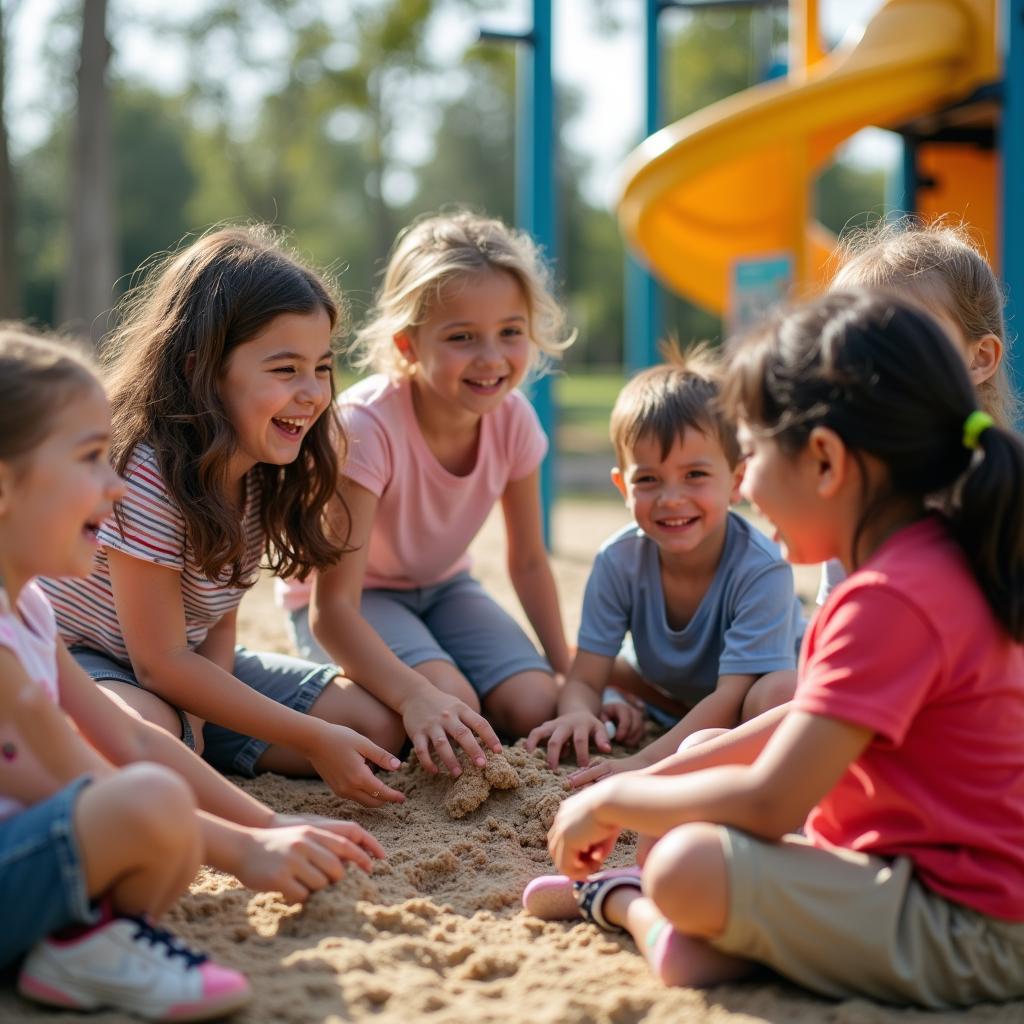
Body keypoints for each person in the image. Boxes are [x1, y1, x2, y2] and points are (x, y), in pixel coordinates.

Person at [524, 292, 1024, 1008]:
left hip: (967, 930)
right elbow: (800, 722)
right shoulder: (921, 564)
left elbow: (769, 800)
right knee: (685, 831)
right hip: (909, 876)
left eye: (750, 456)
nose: (746, 486)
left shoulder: (894, 598)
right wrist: (678, 770)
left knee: (687, 863)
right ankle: (655, 919)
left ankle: (626, 901)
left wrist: (615, 799)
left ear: (824, 460)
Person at [0, 328, 388, 1019]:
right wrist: (246, 852)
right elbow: (78, 772)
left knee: (163, 809)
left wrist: (267, 825)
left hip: (34, 852)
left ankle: (75, 949)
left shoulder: (25, 608)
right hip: (26, 852)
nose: (114, 485)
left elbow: (130, 745)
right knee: (154, 803)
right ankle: (83, 942)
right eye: (92, 459)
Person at [41, 227, 406, 806]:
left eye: (322, 367)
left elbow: (218, 623)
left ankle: (189, 749)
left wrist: (203, 722)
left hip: (183, 669)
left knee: (374, 728)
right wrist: (307, 736)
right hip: (86, 661)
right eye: (285, 370)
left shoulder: (264, 467)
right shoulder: (147, 473)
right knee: (150, 747)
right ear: (202, 370)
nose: (312, 393)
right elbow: (157, 662)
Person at [278, 211, 574, 776]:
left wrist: (573, 677)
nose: (491, 358)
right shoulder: (367, 428)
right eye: (462, 336)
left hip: (444, 587)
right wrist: (416, 695)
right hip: (358, 601)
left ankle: (452, 664)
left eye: (510, 332)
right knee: (453, 707)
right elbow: (331, 610)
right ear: (408, 343)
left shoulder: (514, 421)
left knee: (534, 703)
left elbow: (531, 562)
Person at [525, 344, 803, 771]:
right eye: (649, 480)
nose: (671, 499)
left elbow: (729, 698)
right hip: (669, 690)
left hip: (748, 700)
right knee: (569, 660)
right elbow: (585, 676)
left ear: (737, 480)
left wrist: (643, 765)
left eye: (695, 475)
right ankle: (632, 705)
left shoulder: (761, 567)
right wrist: (579, 710)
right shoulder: (618, 561)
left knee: (775, 693)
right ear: (623, 488)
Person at [817, 218, 1015, 603]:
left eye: (906, 336)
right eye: (855, 342)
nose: (876, 362)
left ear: (979, 359)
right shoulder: (851, 491)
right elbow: (831, 623)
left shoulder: (995, 486)